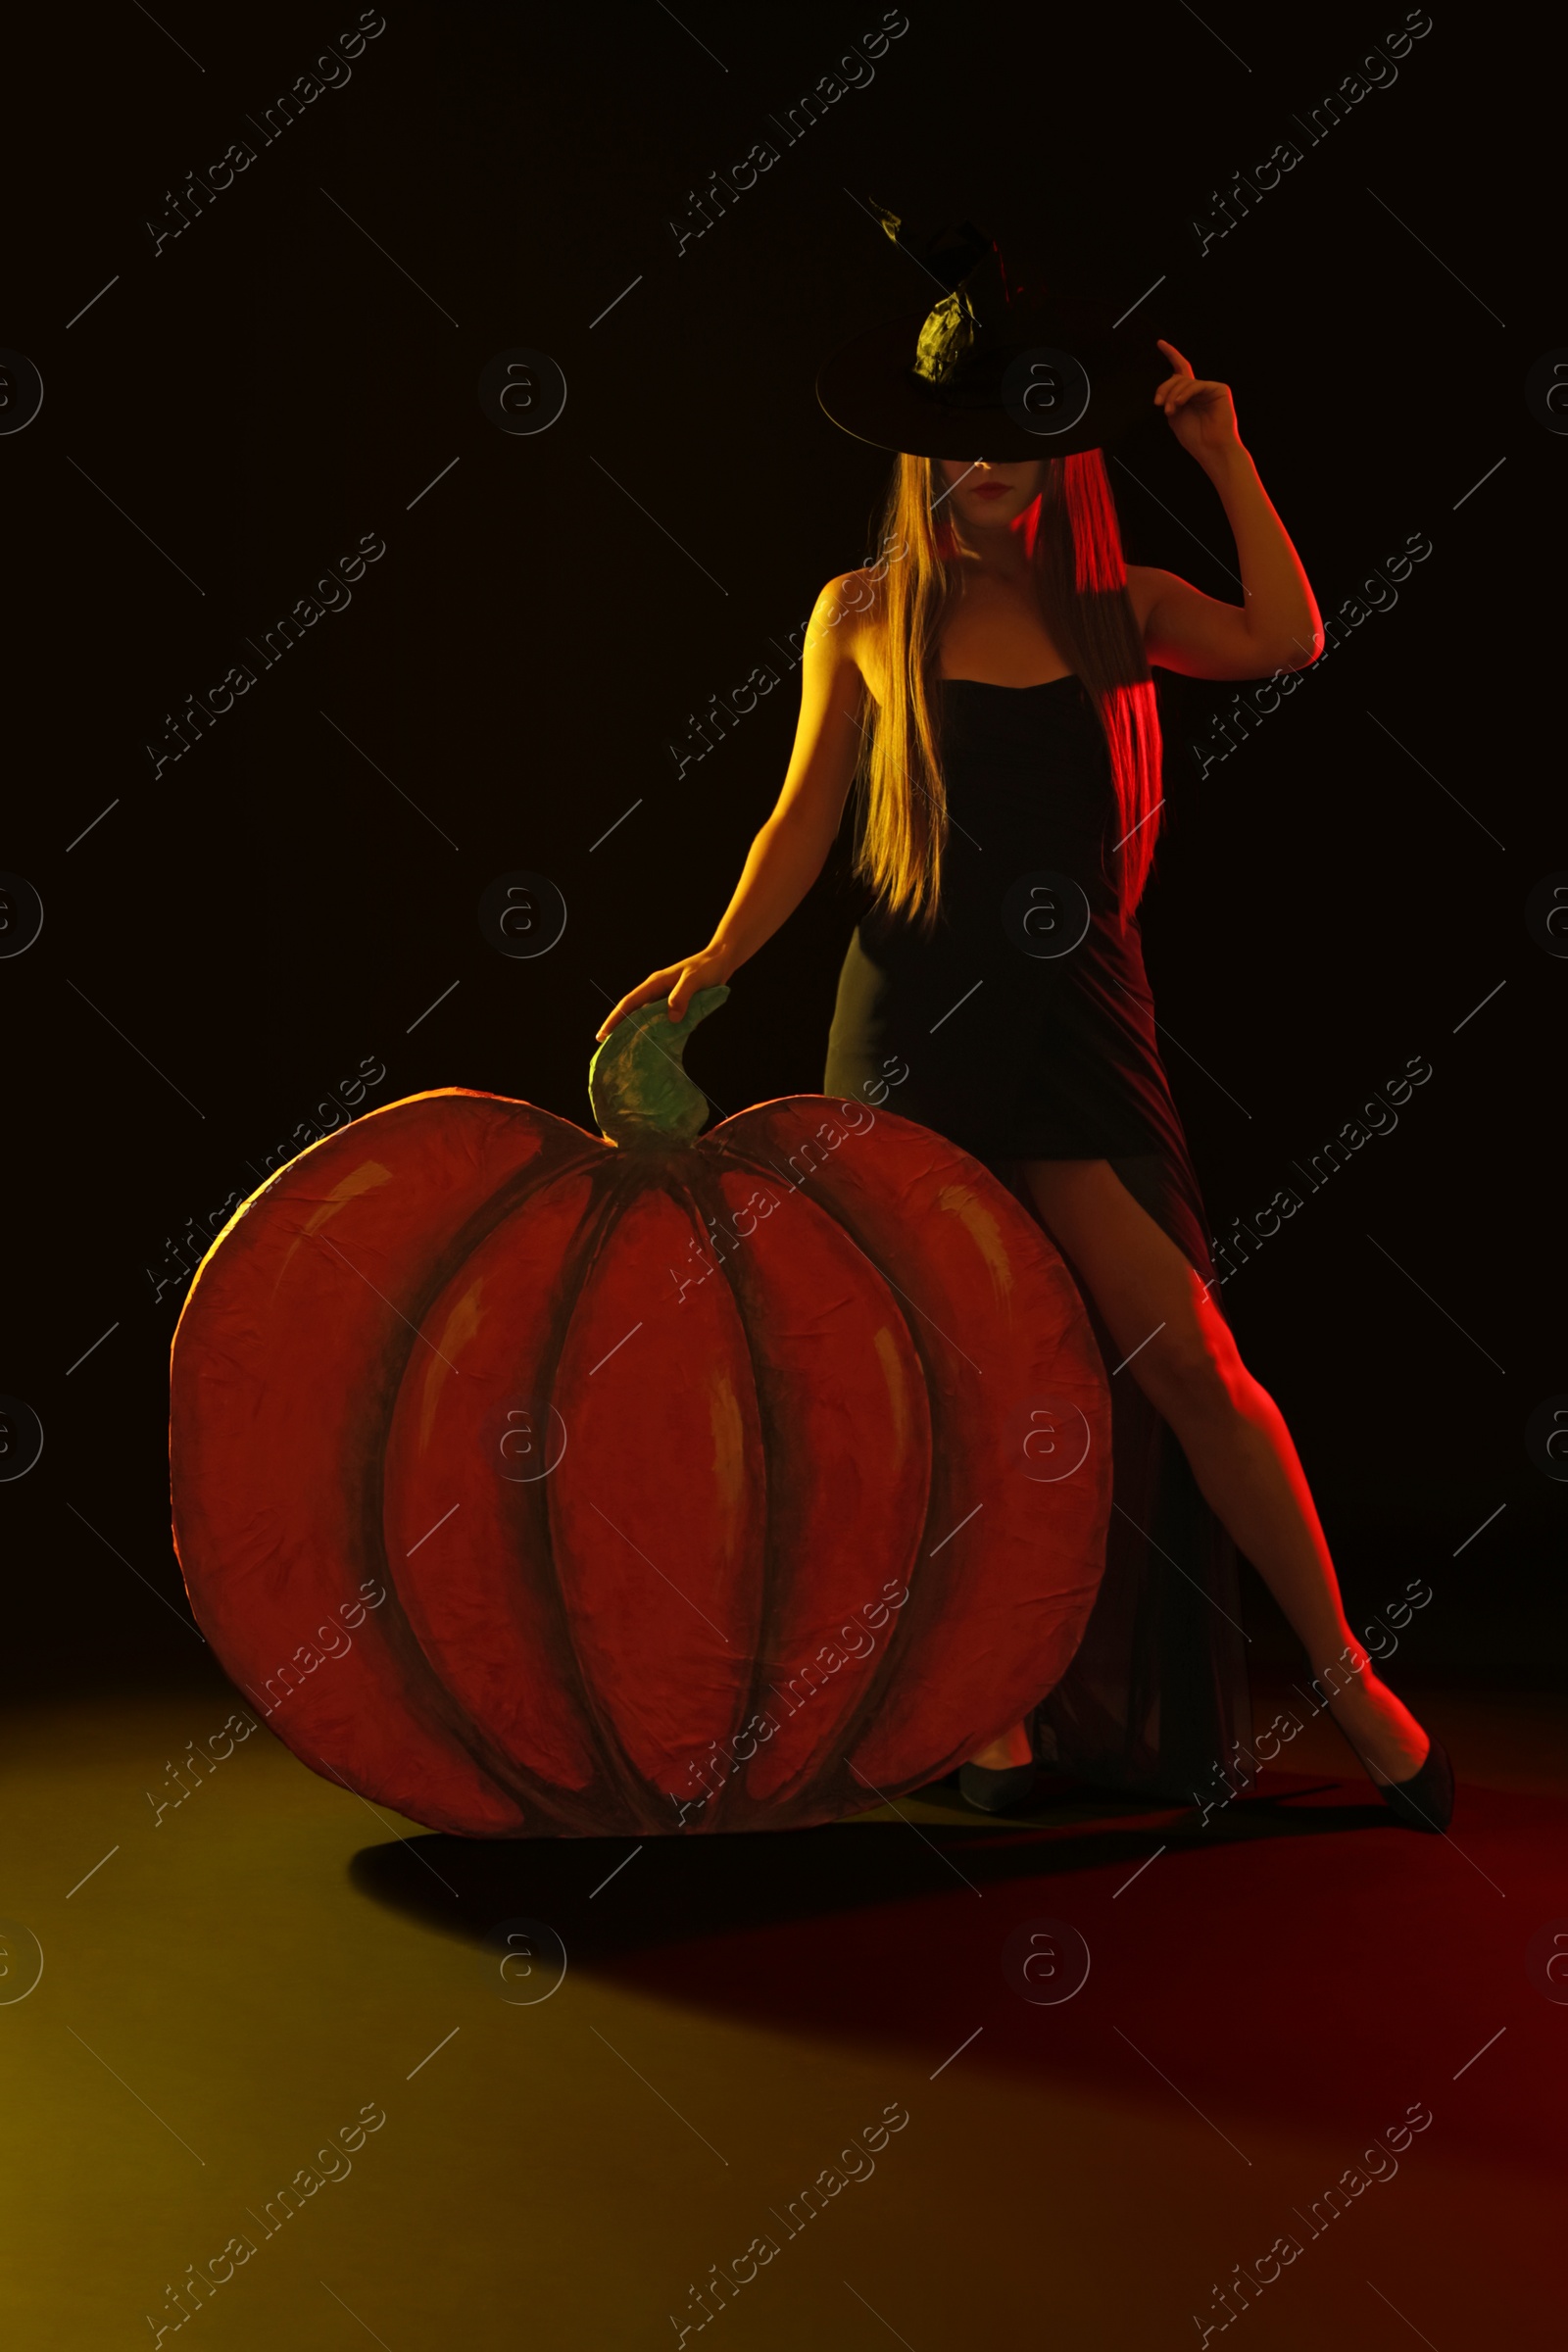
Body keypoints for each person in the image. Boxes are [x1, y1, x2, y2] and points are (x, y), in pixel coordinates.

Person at [595, 209, 1453, 1833]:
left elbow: (1289, 634)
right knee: (944, 1390)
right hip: (905, 1033)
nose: (993, 476)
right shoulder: (862, 615)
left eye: (1022, 449)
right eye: (965, 453)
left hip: (1074, 1023)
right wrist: (705, 974)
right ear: (926, 459)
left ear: (1064, 452)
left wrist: (1222, 448)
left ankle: (1349, 1684)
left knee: (1191, 1357)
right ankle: (992, 1720)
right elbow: (800, 826)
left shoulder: (1114, 607)